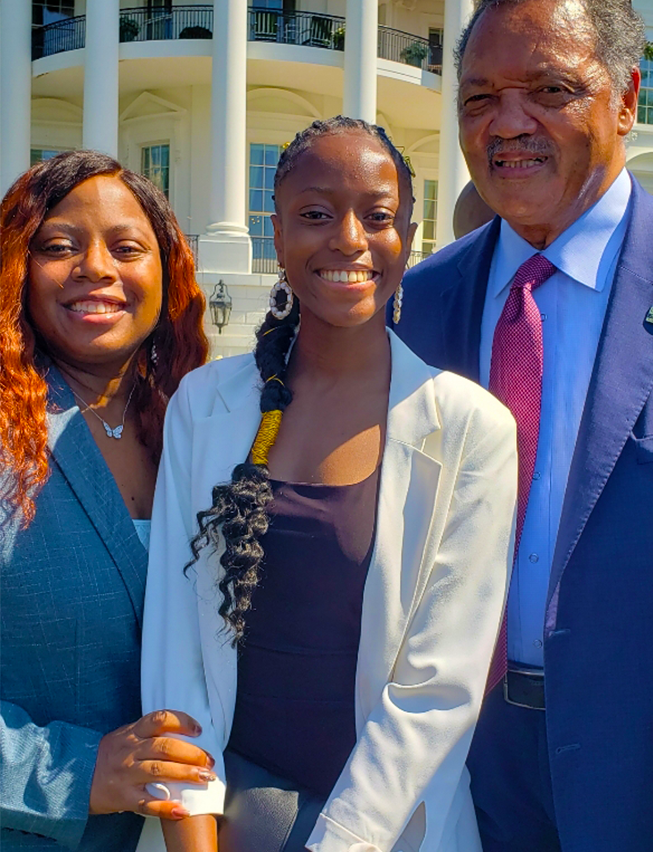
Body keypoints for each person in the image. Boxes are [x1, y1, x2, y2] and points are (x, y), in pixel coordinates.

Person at [396, 1, 653, 849]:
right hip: (466, 774)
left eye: (548, 89)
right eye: (480, 99)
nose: (508, 124)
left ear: (625, 99)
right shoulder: (419, 305)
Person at [137, 117, 516, 852]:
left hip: (387, 832)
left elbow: (435, 691)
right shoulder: (204, 405)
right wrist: (192, 831)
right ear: (274, 233)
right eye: (315, 214)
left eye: (377, 216)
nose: (348, 238)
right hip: (220, 824)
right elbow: (176, 642)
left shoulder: (471, 429)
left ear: (410, 232)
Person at [1, 151, 211, 851]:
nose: (96, 268)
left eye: (127, 248)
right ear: (17, 271)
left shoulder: (199, 424)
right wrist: (73, 770)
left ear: (167, 272)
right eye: (59, 247)